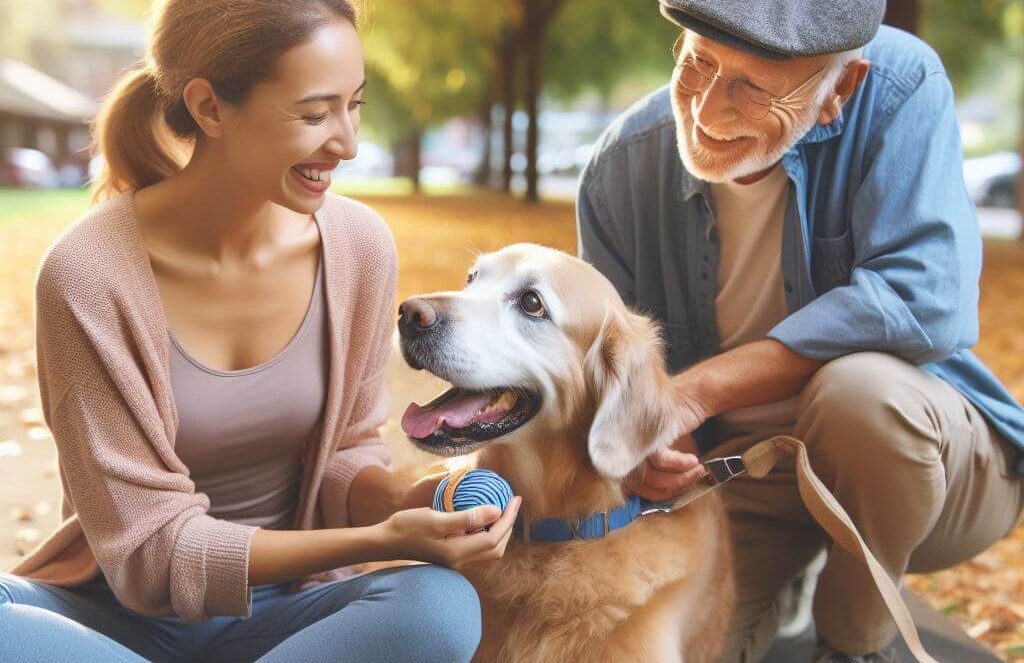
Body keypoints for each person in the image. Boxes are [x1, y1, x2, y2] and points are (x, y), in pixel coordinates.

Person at [0, 1, 521, 661]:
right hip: (115, 623)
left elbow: (345, 457)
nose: (348, 142)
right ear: (211, 108)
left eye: (353, 104)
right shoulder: (86, 275)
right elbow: (154, 552)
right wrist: (385, 538)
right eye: (313, 113)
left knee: (439, 609)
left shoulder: (358, 247)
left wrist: (419, 495)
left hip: (290, 620)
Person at [576, 1, 1024, 662]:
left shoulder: (900, 87)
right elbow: (611, 372)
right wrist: (652, 442)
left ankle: (854, 640)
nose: (704, 114)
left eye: (751, 88)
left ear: (838, 90)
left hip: (923, 467)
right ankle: (790, 571)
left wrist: (697, 392)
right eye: (698, 64)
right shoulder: (620, 169)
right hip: (739, 473)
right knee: (660, 646)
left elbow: (926, 297)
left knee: (858, 395)